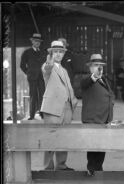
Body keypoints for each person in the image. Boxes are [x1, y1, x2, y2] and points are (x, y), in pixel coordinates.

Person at [40, 40, 78, 170]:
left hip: (66, 109)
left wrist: (73, 105)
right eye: (55, 52)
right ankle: (48, 168)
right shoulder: (47, 67)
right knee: (51, 139)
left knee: (64, 138)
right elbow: (47, 69)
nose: (58, 54)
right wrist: (49, 62)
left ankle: (61, 165)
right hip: (52, 109)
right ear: (51, 53)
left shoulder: (64, 70)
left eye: (60, 52)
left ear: (63, 54)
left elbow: (69, 89)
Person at [81, 54, 114, 176]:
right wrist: (94, 76)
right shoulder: (87, 80)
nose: (99, 68)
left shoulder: (104, 79)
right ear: (90, 67)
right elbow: (84, 84)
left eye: (101, 66)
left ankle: (98, 170)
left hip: (104, 120)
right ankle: (92, 171)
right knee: (93, 148)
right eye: (96, 65)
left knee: (101, 148)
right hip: (93, 120)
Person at [20, 33, 46, 120]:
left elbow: (46, 64)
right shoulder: (27, 52)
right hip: (32, 78)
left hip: (41, 77)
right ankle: (31, 115)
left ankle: (42, 114)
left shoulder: (43, 52)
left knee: (42, 95)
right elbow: (22, 65)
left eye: (39, 41)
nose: (37, 43)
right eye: (35, 41)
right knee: (33, 95)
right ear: (32, 42)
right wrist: (28, 73)